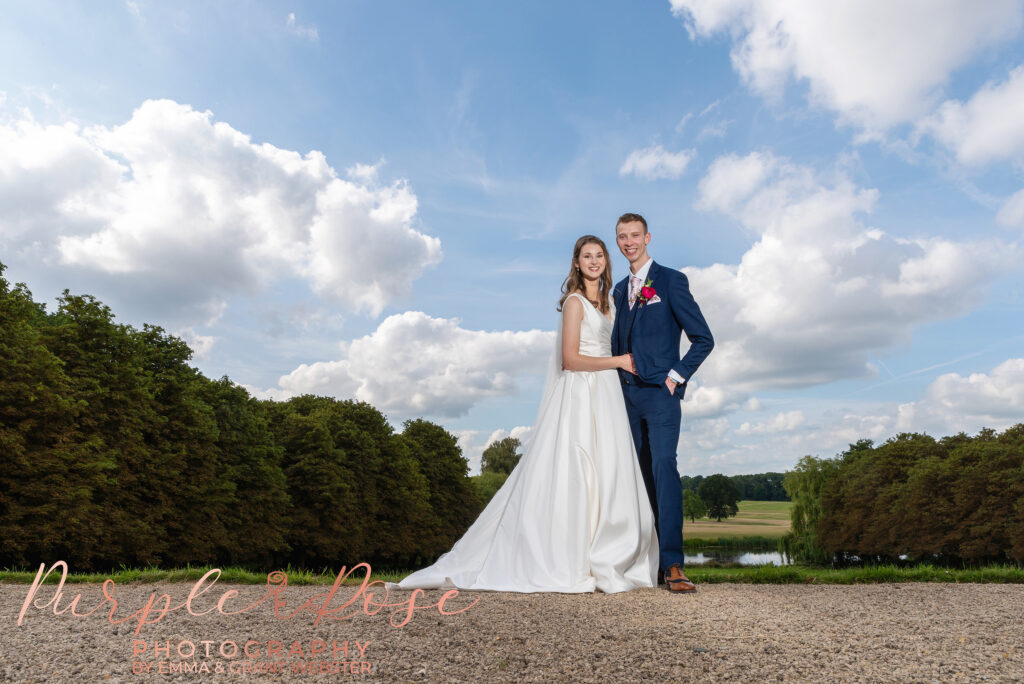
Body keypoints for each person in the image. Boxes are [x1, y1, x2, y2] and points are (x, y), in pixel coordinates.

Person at [387, 235, 658, 593]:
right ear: (576, 263)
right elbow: (570, 360)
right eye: (586, 256)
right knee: (576, 468)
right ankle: (566, 555)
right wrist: (619, 362)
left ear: (607, 261)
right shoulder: (575, 303)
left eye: (599, 255)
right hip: (581, 392)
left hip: (606, 395)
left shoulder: (610, 301)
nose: (594, 261)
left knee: (608, 469)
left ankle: (604, 549)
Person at [611, 212, 714, 593]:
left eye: (634, 235)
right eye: (622, 237)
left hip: (660, 396)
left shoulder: (671, 280)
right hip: (624, 397)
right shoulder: (619, 290)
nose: (628, 242)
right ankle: (645, 561)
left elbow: (703, 338)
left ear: (648, 237)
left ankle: (673, 564)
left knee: (664, 469)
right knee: (636, 477)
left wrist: (676, 376)